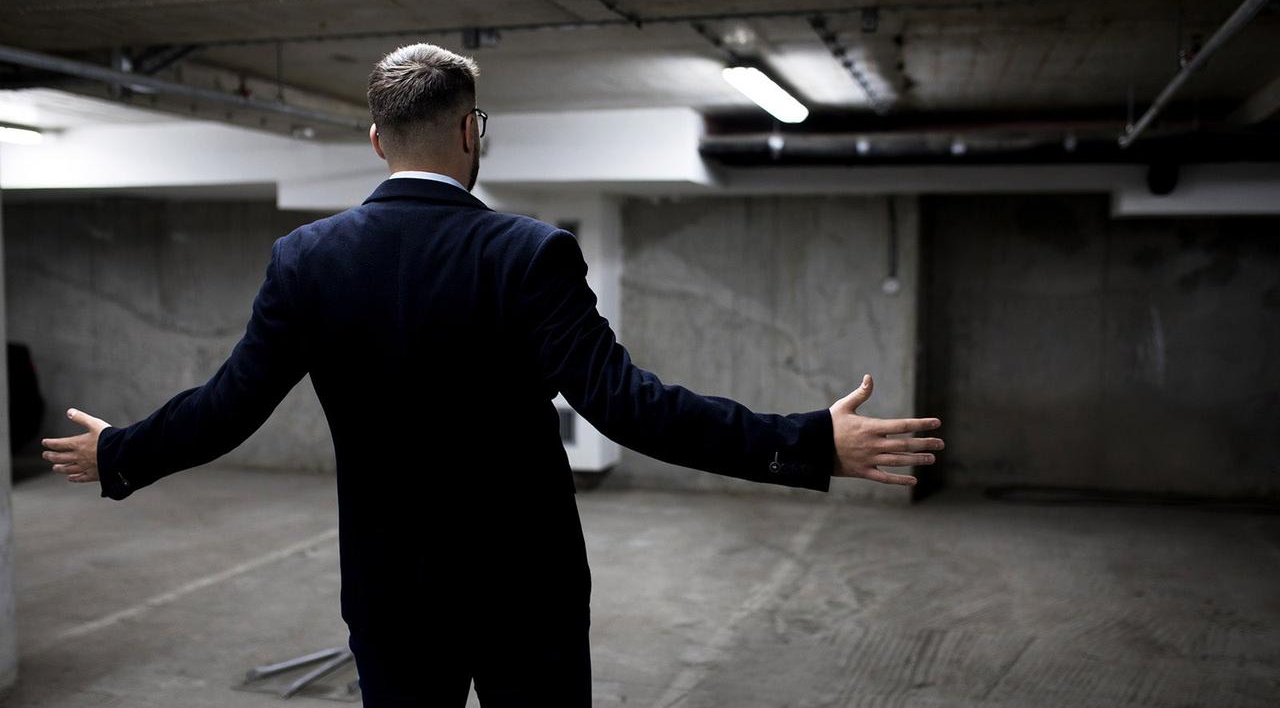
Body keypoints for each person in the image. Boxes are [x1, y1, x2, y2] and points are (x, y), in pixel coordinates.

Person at [40, 43, 943, 707]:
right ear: (474, 131)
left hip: (393, 588)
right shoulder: (530, 253)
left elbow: (228, 406)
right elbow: (626, 405)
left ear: (374, 139)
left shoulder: (304, 260)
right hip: (526, 587)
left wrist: (122, 451)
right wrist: (811, 441)